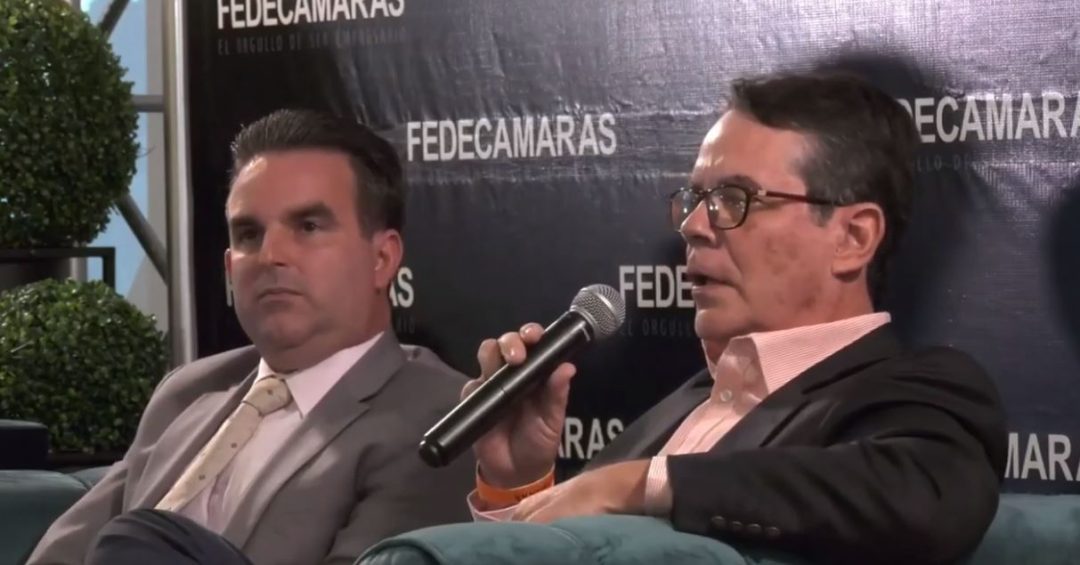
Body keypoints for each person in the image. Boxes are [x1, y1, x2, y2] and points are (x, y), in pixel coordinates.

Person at [464, 71, 1008, 565]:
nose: (694, 226)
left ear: (853, 238)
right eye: (695, 198)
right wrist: (519, 482)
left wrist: (638, 484)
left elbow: (921, 500)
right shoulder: (677, 408)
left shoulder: (914, 391)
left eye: (735, 198)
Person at [28, 109, 475, 565]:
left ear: (382, 259)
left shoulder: (440, 418)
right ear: (228, 267)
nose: (270, 255)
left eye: (308, 226)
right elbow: (61, 554)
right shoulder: (187, 391)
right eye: (248, 234)